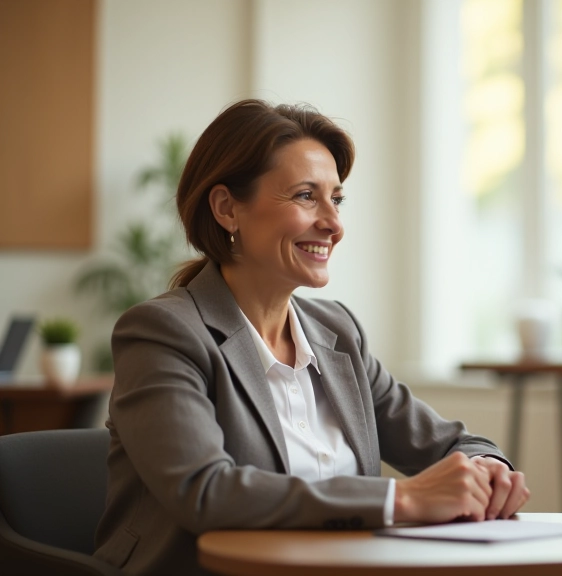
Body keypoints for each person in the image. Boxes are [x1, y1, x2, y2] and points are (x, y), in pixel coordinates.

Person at [94, 100, 529, 575]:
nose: (333, 223)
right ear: (226, 209)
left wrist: (488, 471)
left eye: (336, 199)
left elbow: (450, 444)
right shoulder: (164, 333)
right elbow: (207, 493)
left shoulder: (337, 333)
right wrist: (401, 497)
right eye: (305, 196)